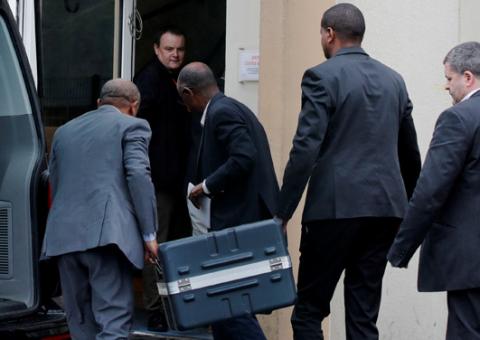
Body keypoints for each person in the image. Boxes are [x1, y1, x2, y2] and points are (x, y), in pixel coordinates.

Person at [274, 3, 421, 340]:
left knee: (309, 312)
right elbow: (409, 152)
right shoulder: (394, 80)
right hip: (385, 210)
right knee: (362, 314)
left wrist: (282, 213)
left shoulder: (320, 76)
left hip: (334, 209)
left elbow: (305, 148)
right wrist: (413, 208)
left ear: (329, 33)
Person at [41, 79, 159, 340]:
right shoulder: (134, 125)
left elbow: (56, 182)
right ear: (134, 105)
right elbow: (138, 176)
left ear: (98, 103)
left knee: (80, 324)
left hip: (63, 237)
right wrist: (149, 234)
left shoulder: (64, 131)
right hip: (107, 238)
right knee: (113, 323)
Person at [177, 62, 278, 340]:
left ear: (188, 93)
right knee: (227, 304)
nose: (186, 107)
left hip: (238, 221)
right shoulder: (232, 107)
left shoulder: (221, 112)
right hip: (244, 218)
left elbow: (244, 156)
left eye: (183, 100)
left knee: (229, 304)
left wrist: (205, 187)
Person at [388, 41, 480, 340]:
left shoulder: (458, 118)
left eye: (449, 78)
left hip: (470, 259)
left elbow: (431, 190)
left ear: (468, 77)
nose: (446, 87)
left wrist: (401, 249)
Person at [133, 26, 192, 331]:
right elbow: (138, 134)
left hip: (177, 182)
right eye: (169, 49)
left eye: (179, 49)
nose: (175, 54)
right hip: (158, 182)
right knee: (156, 245)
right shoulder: (150, 81)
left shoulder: (177, 81)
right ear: (157, 49)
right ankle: (156, 309)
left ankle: (174, 306)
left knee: (174, 244)